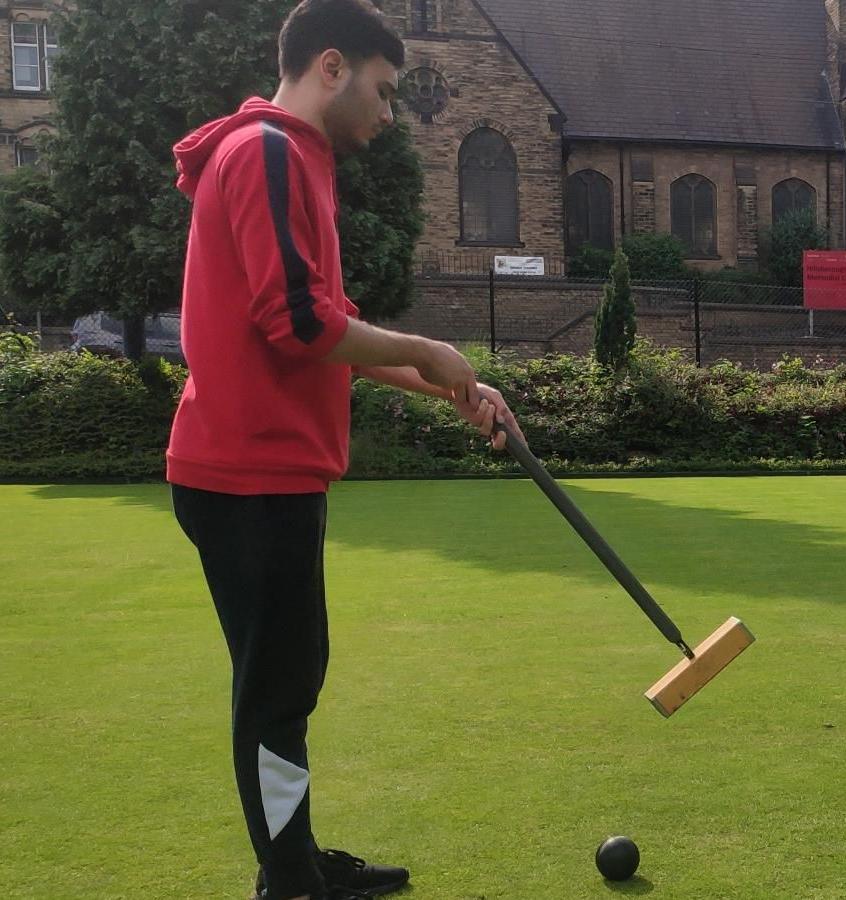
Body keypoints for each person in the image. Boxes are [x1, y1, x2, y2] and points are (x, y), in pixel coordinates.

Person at [166, 2, 523, 898]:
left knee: (289, 676)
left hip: (259, 467)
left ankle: (296, 860)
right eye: (384, 88)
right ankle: (288, 880)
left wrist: (451, 387)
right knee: (277, 688)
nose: (390, 113)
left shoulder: (284, 158)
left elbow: (328, 334)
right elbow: (296, 324)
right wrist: (427, 350)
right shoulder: (271, 152)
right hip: (250, 470)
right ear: (333, 65)